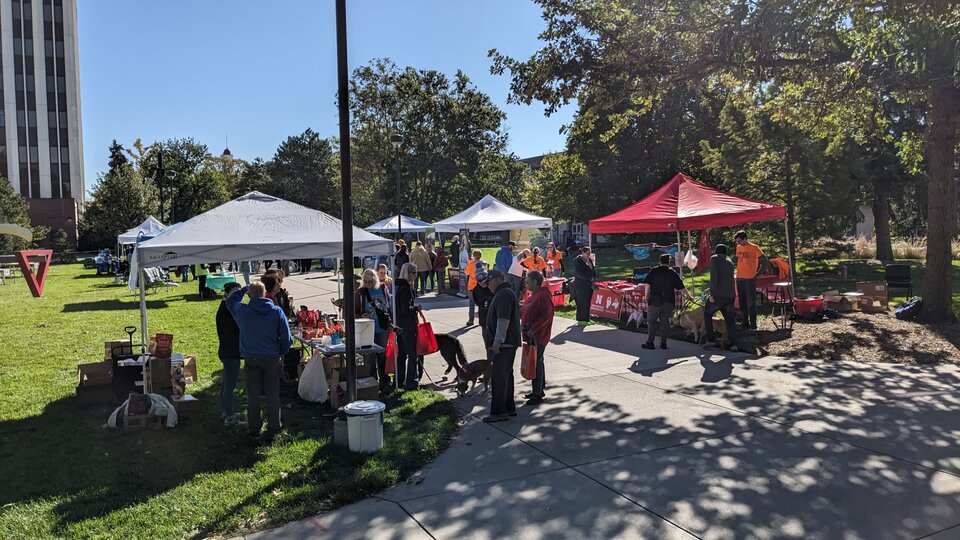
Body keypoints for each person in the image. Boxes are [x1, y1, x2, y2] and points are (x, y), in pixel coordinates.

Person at [227, 281, 292, 440]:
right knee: (272, 394)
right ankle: (274, 426)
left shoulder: (243, 311)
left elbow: (230, 301)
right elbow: (286, 337)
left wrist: (242, 290)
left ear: (250, 294)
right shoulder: (276, 311)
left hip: (251, 358)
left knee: (253, 395)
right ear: (265, 294)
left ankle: (254, 427)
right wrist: (282, 351)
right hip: (271, 357)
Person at [482, 270, 521, 422]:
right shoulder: (505, 292)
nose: (488, 286)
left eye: (489, 282)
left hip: (504, 344)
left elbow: (503, 319)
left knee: (499, 377)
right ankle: (508, 408)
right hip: (507, 343)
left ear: (497, 280)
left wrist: (497, 342)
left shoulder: (504, 294)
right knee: (506, 376)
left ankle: (498, 412)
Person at [642, 254, 693, 350]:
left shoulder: (654, 271)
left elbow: (647, 284)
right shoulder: (672, 273)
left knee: (652, 321)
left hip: (655, 301)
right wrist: (689, 296)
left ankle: (650, 342)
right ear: (668, 262)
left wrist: (646, 296)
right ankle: (663, 343)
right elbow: (681, 287)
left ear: (660, 261)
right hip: (669, 301)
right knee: (664, 322)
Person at [520, 271, 553, 405]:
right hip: (530, 335)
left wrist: (533, 329)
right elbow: (525, 310)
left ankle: (537, 393)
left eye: (528, 280)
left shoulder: (543, 295)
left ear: (535, 281)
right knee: (537, 361)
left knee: (535, 363)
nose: (525, 283)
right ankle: (539, 389)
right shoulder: (533, 295)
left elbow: (547, 316)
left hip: (538, 336)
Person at [216, 282, 246, 427]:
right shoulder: (228, 310)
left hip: (227, 350)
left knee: (226, 382)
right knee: (230, 385)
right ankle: (229, 416)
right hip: (230, 352)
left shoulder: (225, 308)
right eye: (234, 293)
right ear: (226, 294)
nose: (238, 296)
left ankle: (225, 409)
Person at [356, 269, 392, 391]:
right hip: (366, 330)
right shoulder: (360, 292)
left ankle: (384, 381)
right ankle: (371, 383)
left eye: (370, 281)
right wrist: (360, 316)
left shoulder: (382, 288)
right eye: (365, 281)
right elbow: (353, 311)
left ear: (375, 280)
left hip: (382, 328)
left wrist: (391, 322)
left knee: (382, 356)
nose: (368, 284)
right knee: (369, 358)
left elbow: (389, 305)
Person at [704, 244, 738, 351]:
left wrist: (712, 294)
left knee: (707, 313)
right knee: (730, 320)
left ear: (716, 252)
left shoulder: (714, 259)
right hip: (730, 295)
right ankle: (733, 344)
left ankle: (711, 340)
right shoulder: (730, 262)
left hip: (719, 295)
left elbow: (714, 277)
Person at [394, 262, 421, 390]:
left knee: (402, 354)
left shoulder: (398, 286)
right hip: (407, 326)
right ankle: (412, 382)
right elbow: (405, 309)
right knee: (412, 355)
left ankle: (398, 381)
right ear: (408, 273)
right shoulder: (405, 288)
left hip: (399, 325)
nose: (415, 276)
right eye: (414, 273)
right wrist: (415, 309)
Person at [734, 230, 764, 330]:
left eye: (740, 241)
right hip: (739, 278)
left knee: (751, 302)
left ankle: (753, 325)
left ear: (745, 239)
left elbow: (764, 261)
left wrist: (757, 274)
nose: (739, 243)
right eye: (737, 242)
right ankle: (744, 323)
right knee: (742, 302)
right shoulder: (738, 247)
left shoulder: (754, 248)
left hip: (750, 279)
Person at [573, 247, 597, 325]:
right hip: (581, 284)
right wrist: (589, 278)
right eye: (587, 253)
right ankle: (581, 319)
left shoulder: (589, 260)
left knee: (587, 301)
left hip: (589, 285)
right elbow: (578, 274)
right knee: (582, 302)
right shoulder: (578, 261)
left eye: (589, 253)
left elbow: (592, 270)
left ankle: (587, 318)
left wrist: (595, 275)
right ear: (582, 252)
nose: (588, 255)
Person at [465, 249, 487, 325]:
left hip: (472, 286)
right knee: (481, 303)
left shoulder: (471, 263)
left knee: (471, 304)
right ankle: (482, 319)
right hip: (481, 286)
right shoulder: (484, 263)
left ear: (473, 256)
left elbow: (467, 272)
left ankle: (471, 320)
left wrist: (469, 262)